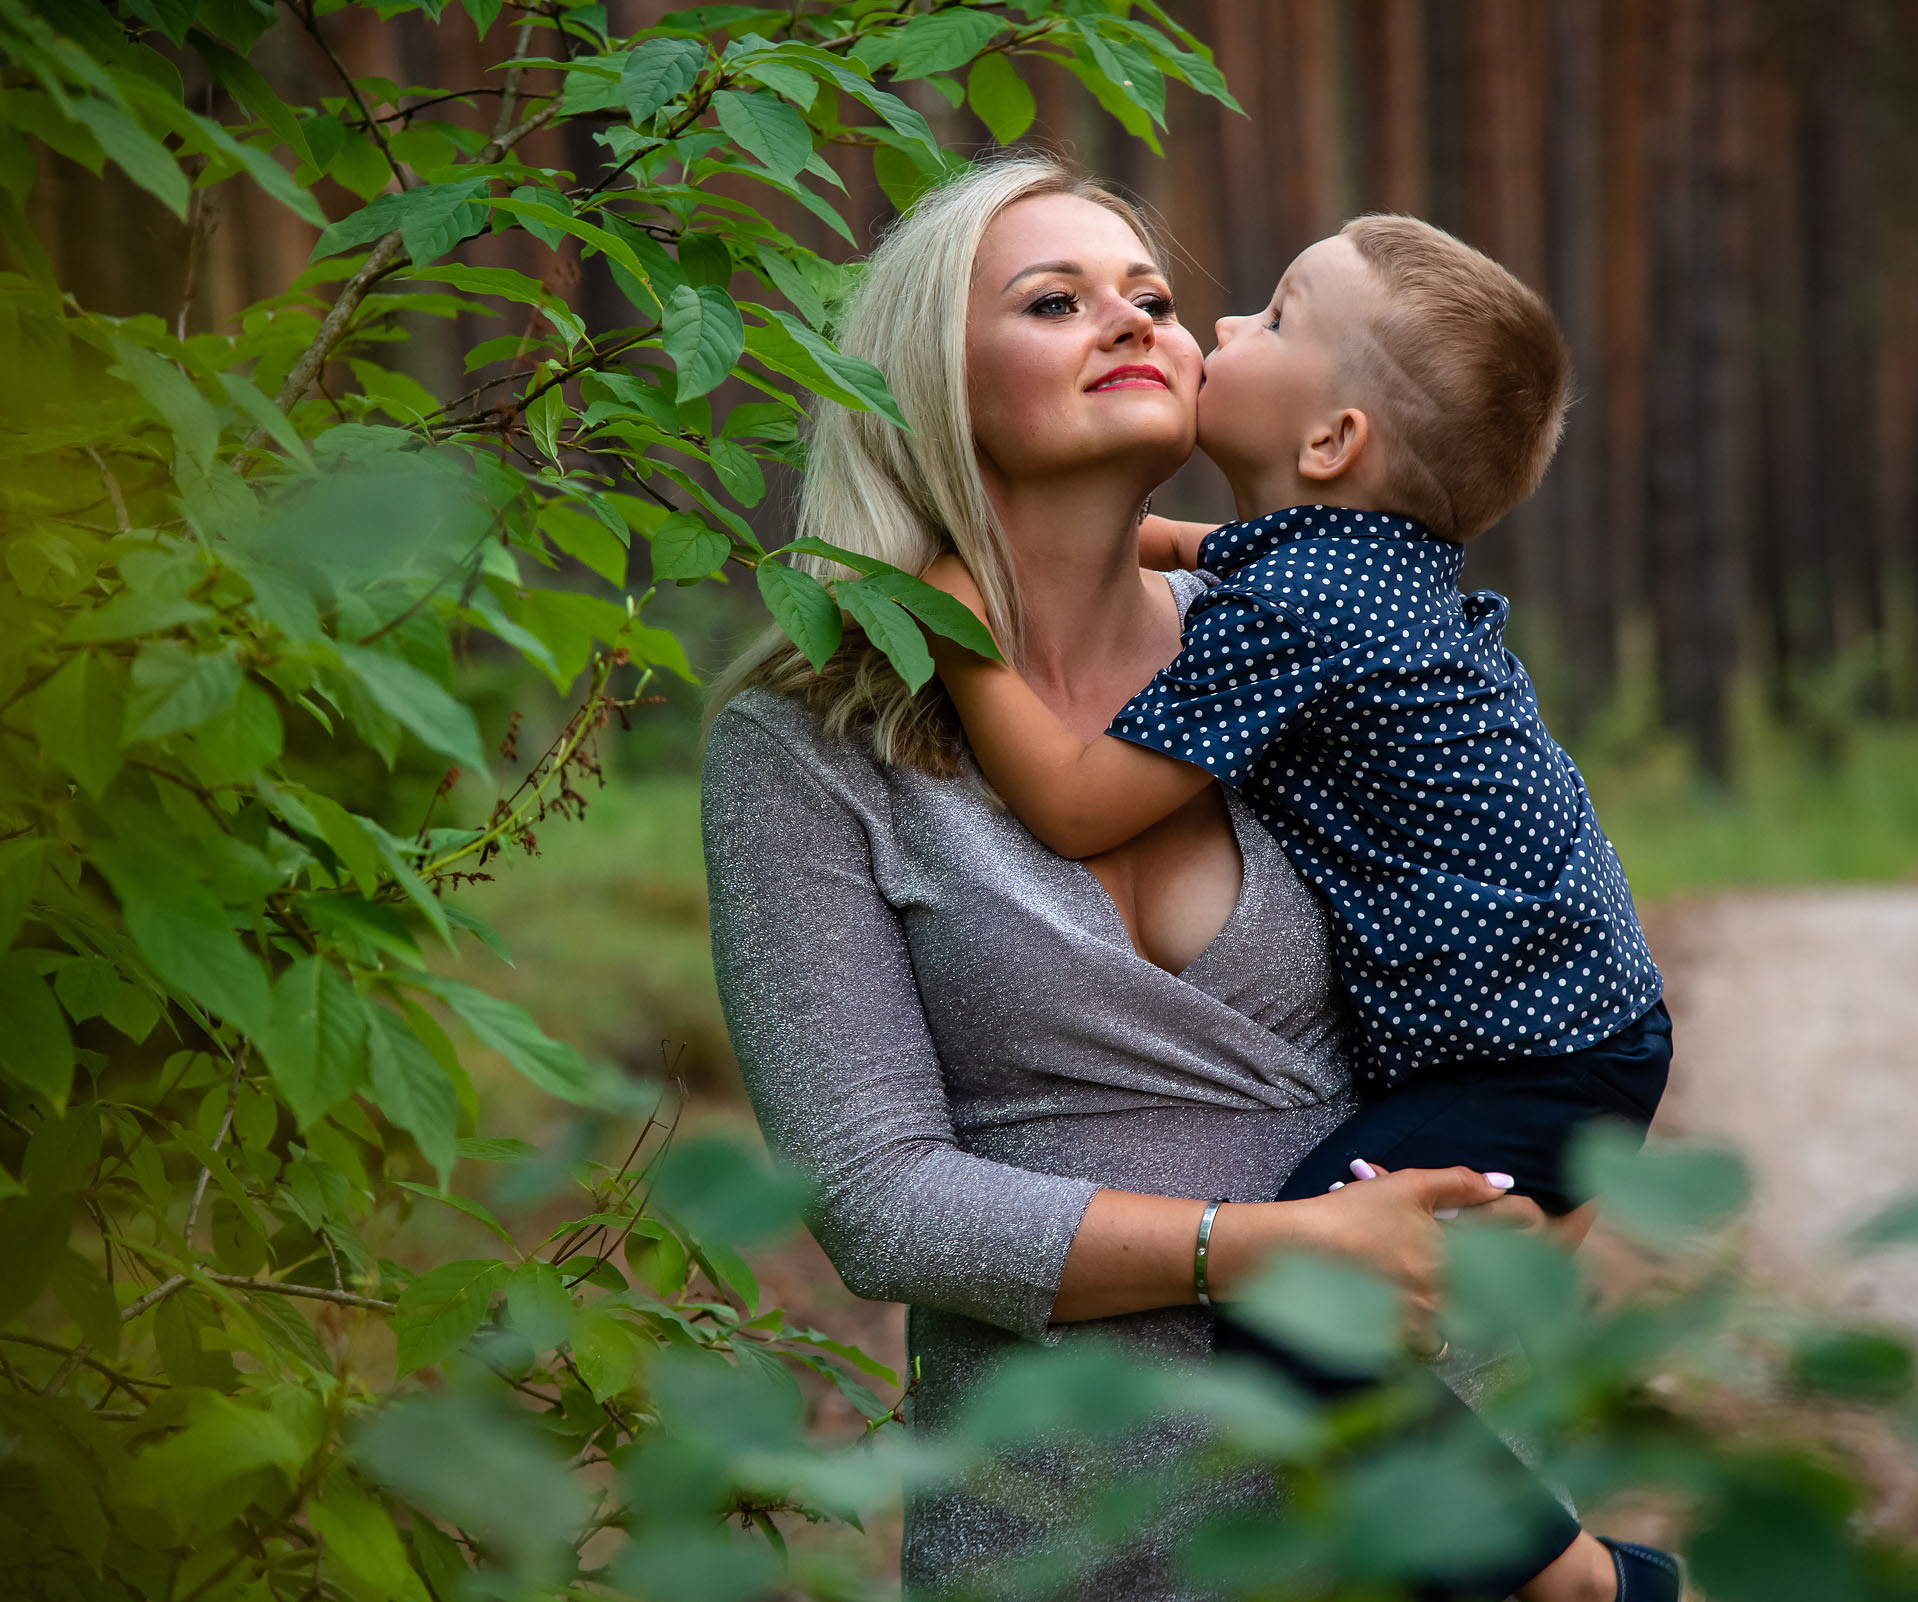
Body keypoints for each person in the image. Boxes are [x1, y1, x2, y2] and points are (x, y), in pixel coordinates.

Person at [702, 158, 1624, 1599]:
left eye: (1155, 297)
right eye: (1055, 299)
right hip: (1066, 1531)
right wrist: (1266, 1249)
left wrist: (1546, 1225)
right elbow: (876, 1201)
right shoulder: (805, 746)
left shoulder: (1306, 643)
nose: (1136, 320)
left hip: (1394, 1525)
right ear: (919, 378)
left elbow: (1537, 952)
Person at [920, 218, 1682, 1598]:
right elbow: (1226, 550)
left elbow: (1081, 805)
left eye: (1269, 317)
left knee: (1303, 1307)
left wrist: (961, 631)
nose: (1213, 329)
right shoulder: (1340, 567)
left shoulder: (1301, 611)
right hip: (1582, 1025)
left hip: (1532, 1054)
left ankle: (1569, 1574)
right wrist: (1117, 539)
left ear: (1330, 442)